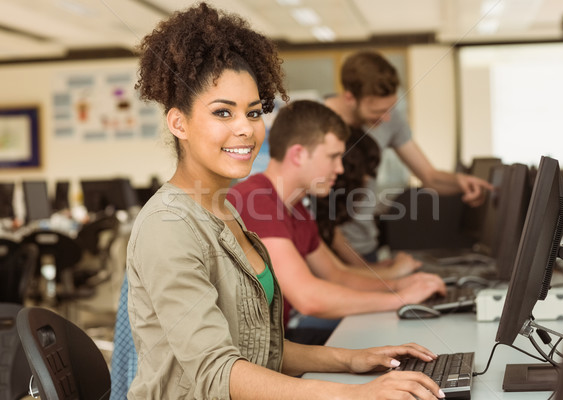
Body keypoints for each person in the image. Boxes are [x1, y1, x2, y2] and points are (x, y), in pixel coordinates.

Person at [127, 3, 447, 399]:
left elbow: (258, 352)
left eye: (254, 112)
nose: (245, 128)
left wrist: (355, 360)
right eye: (223, 113)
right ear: (179, 123)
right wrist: (355, 394)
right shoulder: (168, 226)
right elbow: (217, 372)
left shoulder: (227, 214)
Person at [228, 100, 446, 343]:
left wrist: (401, 284)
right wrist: (401, 299)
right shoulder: (256, 202)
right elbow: (308, 298)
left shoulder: (295, 206)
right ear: (298, 154)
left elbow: (336, 274)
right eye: (333, 157)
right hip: (251, 354)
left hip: (278, 342)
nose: (340, 168)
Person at [324, 51, 494, 260]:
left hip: (366, 246)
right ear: (349, 97)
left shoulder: (391, 117)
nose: (386, 118)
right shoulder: (316, 123)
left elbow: (429, 176)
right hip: (327, 249)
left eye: (390, 108)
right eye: (377, 111)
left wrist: (460, 181)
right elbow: (317, 211)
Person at [314, 126, 421, 278]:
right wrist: (394, 272)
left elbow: (342, 267)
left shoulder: (328, 213)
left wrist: (374, 268)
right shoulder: (312, 209)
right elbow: (339, 275)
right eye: (362, 172)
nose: (366, 179)